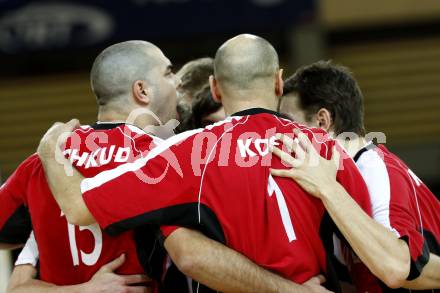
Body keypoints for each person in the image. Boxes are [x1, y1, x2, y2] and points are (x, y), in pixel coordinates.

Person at [37, 34, 373, 292]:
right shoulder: (327, 149)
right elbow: (370, 253)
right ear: (278, 81)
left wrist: (51, 154)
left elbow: (79, 206)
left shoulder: (187, 153)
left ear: (214, 87)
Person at [273, 61, 440, 291]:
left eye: (288, 122)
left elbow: (395, 268)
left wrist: (328, 188)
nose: (282, 133)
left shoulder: (376, 172)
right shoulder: (335, 185)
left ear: (322, 121)